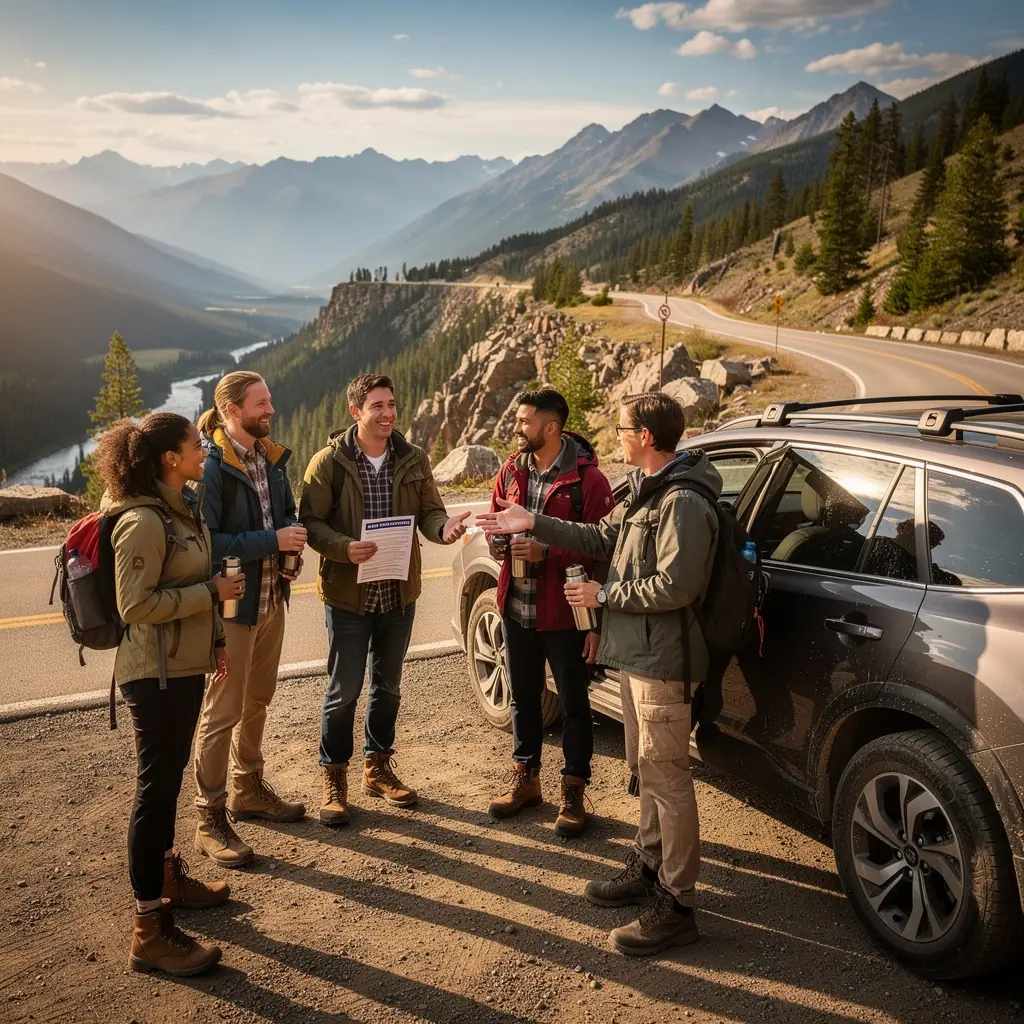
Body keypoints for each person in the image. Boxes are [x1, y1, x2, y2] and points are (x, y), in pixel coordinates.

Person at [477, 392, 721, 956]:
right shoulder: (644, 491)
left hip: (666, 662)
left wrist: (602, 593)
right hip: (639, 658)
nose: (617, 434)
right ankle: (648, 865)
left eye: (624, 427)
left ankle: (678, 903)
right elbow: (597, 538)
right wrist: (531, 520)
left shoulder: (681, 501)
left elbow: (677, 586)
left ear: (648, 438)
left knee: (668, 777)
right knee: (644, 768)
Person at [95, 412, 245, 976]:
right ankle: (148, 929)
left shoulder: (178, 509)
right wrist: (211, 591)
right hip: (153, 675)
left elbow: (197, 586)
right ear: (169, 458)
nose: (204, 449)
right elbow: (136, 606)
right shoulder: (143, 521)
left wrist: (217, 641)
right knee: (155, 792)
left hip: (180, 667)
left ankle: (166, 881)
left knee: (167, 782)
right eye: (195, 444)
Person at [300, 373, 471, 824]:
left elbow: (432, 513)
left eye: (391, 404)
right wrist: (343, 548)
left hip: (398, 594)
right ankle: (333, 778)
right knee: (343, 691)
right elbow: (310, 523)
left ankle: (376, 769)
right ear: (356, 412)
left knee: (388, 687)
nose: (388, 413)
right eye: (377, 405)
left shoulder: (412, 458)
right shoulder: (328, 463)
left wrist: (444, 529)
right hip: (348, 597)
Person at [192, 371, 307, 869]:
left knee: (258, 699)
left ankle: (247, 789)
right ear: (232, 410)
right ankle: (208, 817)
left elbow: (286, 514)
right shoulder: (211, 466)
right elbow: (206, 543)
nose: (271, 410)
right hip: (232, 609)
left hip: (270, 600)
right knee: (222, 711)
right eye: (261, 404)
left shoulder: (270, 457)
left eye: (270, 401)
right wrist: (273, 543)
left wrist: (292, 547)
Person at [485, 389, 614, 836]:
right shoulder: (510, 470)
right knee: (524, 697)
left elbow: (603, 548)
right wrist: (498, 543)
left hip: (564, 614)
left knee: (576, 705)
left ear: (552, 428)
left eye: (525, 421)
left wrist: (546, 552)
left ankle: (574, 790)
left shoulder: (589, 482)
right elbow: (495, 525)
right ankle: (527, 778)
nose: (517, 427)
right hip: (516, 608)